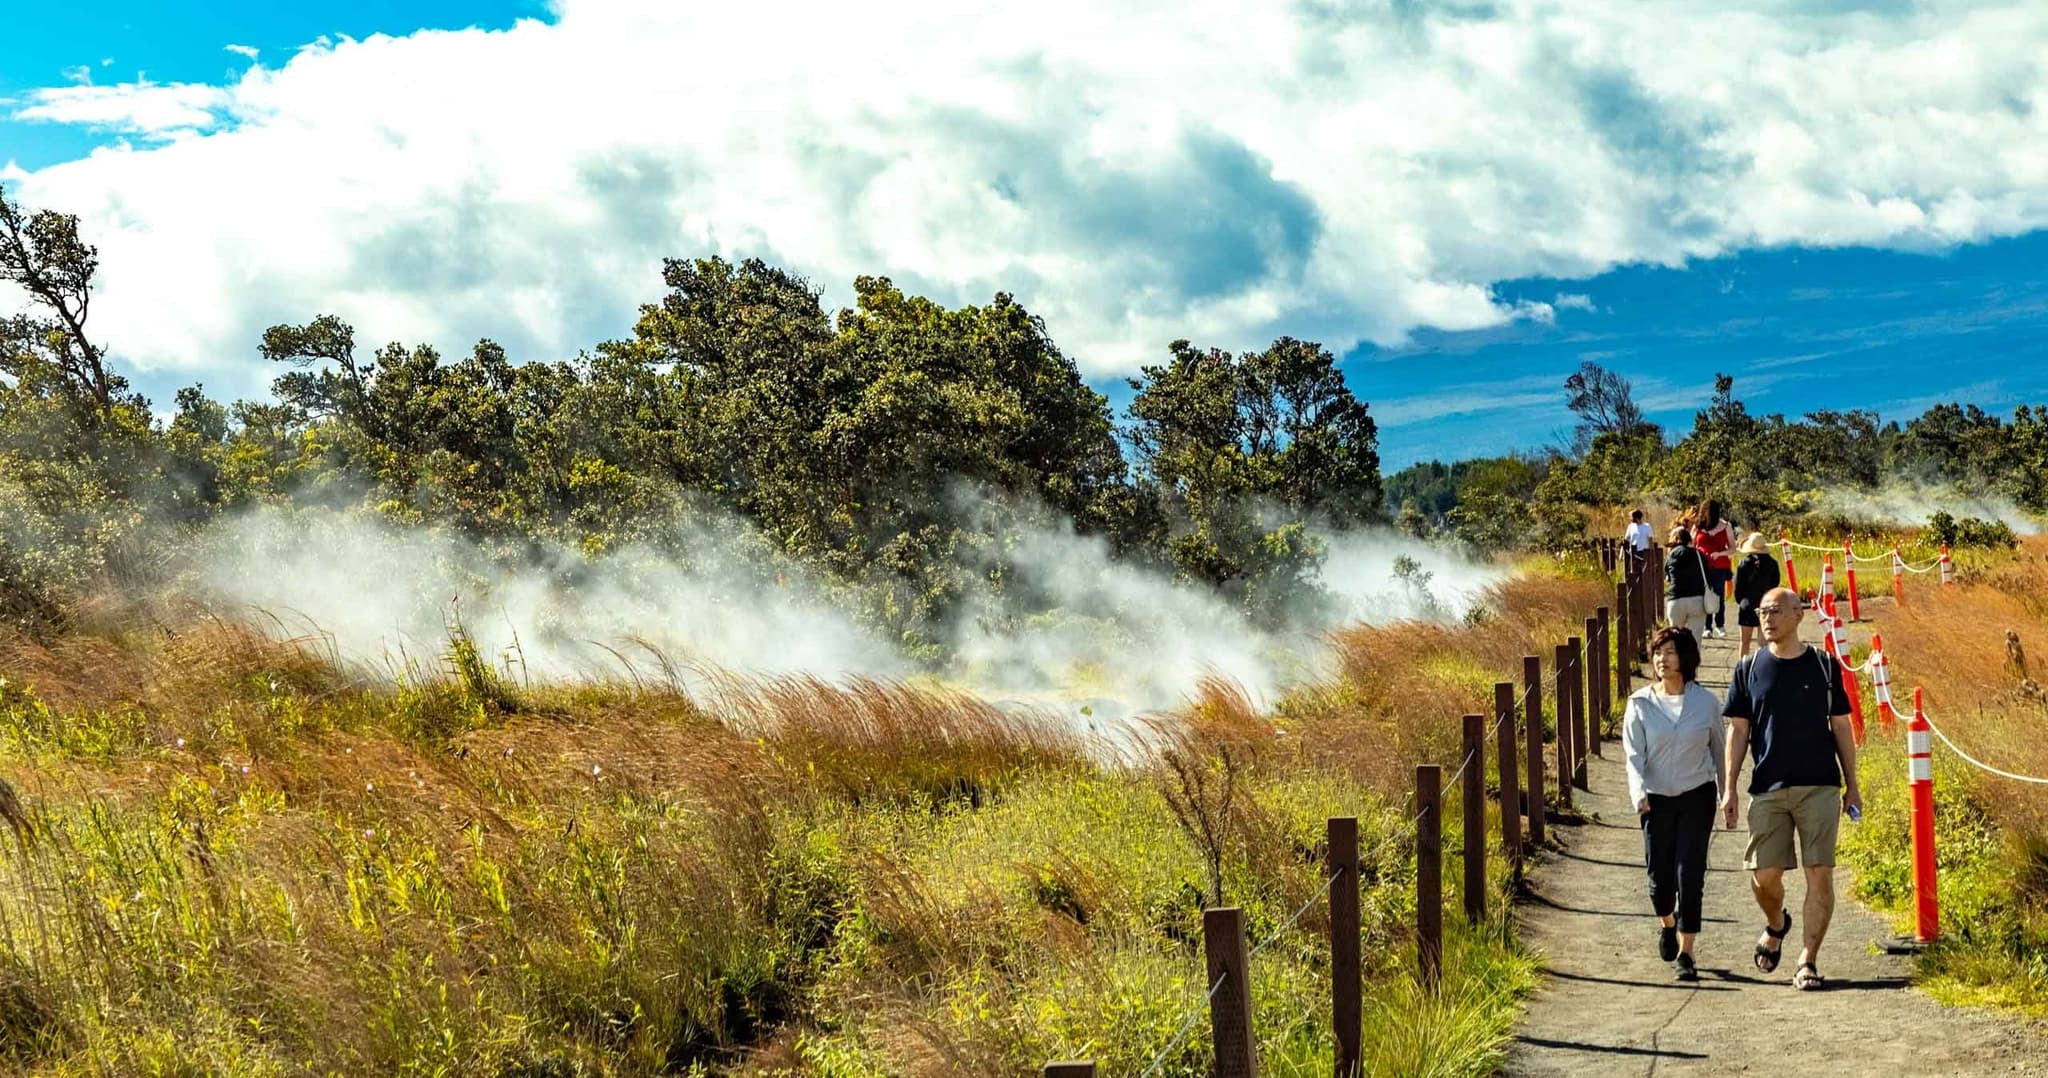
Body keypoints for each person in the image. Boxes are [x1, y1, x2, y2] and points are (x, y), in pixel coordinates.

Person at [1720, 586, 1861, 991]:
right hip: (1766, 786)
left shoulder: (1823, 665)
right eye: (1763, 610)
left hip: (1819, 785)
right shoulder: (1747, 668)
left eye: (1777, 610)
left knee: (1820, 874)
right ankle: (1777, 923)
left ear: (1799, 615)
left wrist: (1853, 785)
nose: (1767, 617)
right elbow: (1739, 730)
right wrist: (1729, 787)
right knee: (1764, 877)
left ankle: (1807, 961)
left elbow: (1840, 727)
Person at [1623, 626, 1726, 981]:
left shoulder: (1706, 703)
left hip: (1697, 795)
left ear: (1685, 658)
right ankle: (1667, 922)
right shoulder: (1639, 704)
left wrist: (1727, 793)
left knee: (1690, 873)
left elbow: (1719, 751)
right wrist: (1638, 794)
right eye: (1657, 653)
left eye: (1669, 652)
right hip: (1655, 800)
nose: (1661, 659)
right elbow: (1634, 756)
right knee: (1659, 881)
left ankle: (1687, 953)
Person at [1732, 532, 1780, 659]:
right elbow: (1776, 584)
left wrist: (1741, 600)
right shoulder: (1773, 563)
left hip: (1747, 604)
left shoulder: (1744, 563)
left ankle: (1742, 669)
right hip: (1765, 603)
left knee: (1744, 642)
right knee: (1763, 642)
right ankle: (1762, 667)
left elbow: (1738, 587)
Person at [1694, 500, 1735, 639]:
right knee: (1704, 595)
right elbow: (1692, 545)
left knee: (1718, 595)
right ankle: (1707, 626)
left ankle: (1720, 624)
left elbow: (1732, 548)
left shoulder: (1725, 526)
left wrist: (1720, 554)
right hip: (1701, 567)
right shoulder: (1698, 527)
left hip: (1719, 566)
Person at [1663, 527, 1710, 636]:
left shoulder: (1672, 554)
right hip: (1697, 599)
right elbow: (1708, 576)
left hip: (1676, 599)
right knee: (1695, 640)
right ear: (1690, 540)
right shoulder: (1699, 555)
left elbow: (1668, 577)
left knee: (1677, 640)